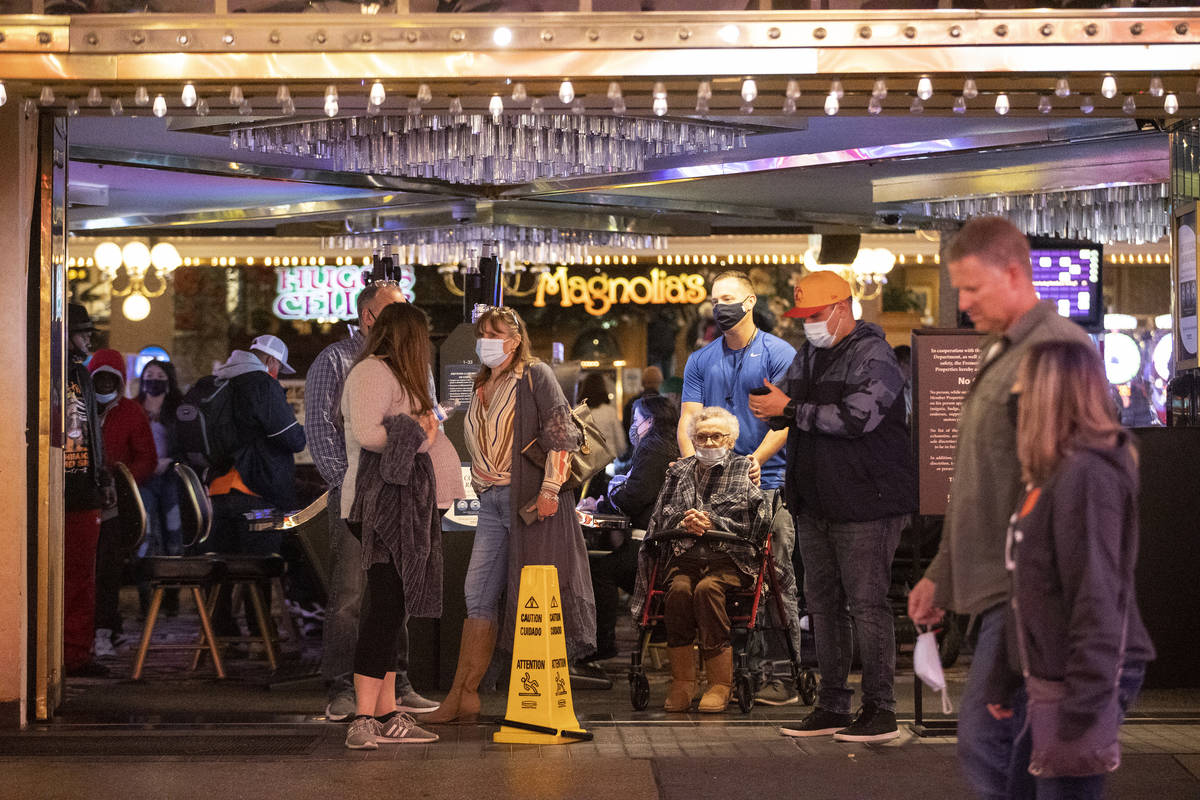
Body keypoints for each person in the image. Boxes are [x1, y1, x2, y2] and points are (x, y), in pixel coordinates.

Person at [907, 217, 1094, 799]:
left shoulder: (1056, 352)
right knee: (1011, 753)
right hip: (1000, 593)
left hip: (1033, 599)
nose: (962, 305)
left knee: (999, 746)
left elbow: (1073, 495)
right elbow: (978, 481)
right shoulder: (1001, 349)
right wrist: (941, 572)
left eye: (972, 289)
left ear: (1013, 273)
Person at [749, 271, 917, 743]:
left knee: (866, 604)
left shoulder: (874, 354)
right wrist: (775, 402)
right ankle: (833, 704)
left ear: (843, 308)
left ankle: (881, 710)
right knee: (823, 605)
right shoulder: (810, 354)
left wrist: (788, 409)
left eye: (815, 315)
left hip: (868, 502)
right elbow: (781, 397)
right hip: (817, 501)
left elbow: (857, 418)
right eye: (802, 317)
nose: (807, 325)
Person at [984, 340, 1154, 799]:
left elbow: (1097, 594)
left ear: (1048, 394)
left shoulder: (1086, 476)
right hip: (1050, 676)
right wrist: (1008, 677)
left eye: (1023, 386)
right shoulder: (1051, 472)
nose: (1014, 396)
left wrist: (1084, 706)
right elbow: (1027, 587)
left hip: (1077, 678)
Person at [426, 306, 596, 723]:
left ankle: (536, 700)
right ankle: (463, 695)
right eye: (482, 331)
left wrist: (551, 490)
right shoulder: (483, 381)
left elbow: (561, 433)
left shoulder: (535, 375)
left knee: (535, 598)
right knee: (476, 593)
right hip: (492, 502)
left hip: (532, 503)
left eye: (494, 332)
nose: (485, 338)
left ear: (516, 338)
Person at [305, 281, 438, 721]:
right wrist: (352, 486)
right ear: (369, 317)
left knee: (392, 595)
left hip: (400, 496)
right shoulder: (340, 361)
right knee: (351, 595)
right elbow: (322, 429)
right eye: (395, 312)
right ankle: (345, 688)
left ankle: (394, 687)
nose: (404, 320)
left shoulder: (408, 364)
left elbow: (428, 416)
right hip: (362, 496)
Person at [678, 269, 802, 706]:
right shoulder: (701, 359)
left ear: (749, 302)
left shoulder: (778, 353)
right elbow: (688, 420)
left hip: (767, 482)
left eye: (727, 298)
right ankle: (717, 674)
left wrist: (755, 460)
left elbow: (786, 420)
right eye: (714, 300)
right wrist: (693, 465)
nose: (719, 307)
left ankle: (780, 674)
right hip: (713, 485)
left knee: (775, 573)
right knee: (710, 575)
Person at [340, 302, 443, 749]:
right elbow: (368, 433)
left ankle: (385, 712)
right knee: (383, 608)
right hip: (381, 506)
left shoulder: (399, 376)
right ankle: (364, 716)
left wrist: (424, 427)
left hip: (407, 507)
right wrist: (419, 431)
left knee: (392, 607)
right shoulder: (371, 373)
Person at [631, 406, 770, 713]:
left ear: (730, 440)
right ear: (692, 440)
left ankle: (720, 683)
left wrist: (713, 523)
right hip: (685, 555)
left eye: (716, 437)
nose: (709, 443)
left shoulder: (743, 469)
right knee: (678, 592)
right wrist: (685, 522)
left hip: (730, 559)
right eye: (702, 437)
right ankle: (682, 681)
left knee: (708, 590)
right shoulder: (677, 472)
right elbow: (659, 518)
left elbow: (757, 525)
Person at [205, 334, 307, 640]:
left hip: (219, 492)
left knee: (223, 567)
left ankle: (220, 636)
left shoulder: (221, 381)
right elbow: (292, 438)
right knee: (258, 568)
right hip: (255, 493)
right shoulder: (261, 384)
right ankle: (262, 634)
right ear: (272, 362)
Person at [584, 394, 680, 661]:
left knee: (598, 570)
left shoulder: (653, 448)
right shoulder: (672, 444)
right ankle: (657, 627)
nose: (633, 425)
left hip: (650, 547)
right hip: (666, 545)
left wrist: (608, 498)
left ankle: (602, 646)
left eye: (636, 419)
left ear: (649, 421)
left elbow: (635, 495)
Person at [88, 349, 157, 659]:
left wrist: (125, 480)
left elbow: (148, 456)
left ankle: (105, 628)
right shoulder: (80, 408)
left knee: (107, 569)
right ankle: (95, 629)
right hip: (82, 500)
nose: (104, 385)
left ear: (120, 381)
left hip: (116, 504)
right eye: (98, 379)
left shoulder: (131, 412)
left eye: (110, 379)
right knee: (84, 569)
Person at [63, 303, 109, 677]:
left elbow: (93, 434)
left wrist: (101, 476)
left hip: (80, 489)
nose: (88, 339)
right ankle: (68, 652)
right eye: (83, 333)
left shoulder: (82, 374)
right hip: (65, 488)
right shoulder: (64, 374)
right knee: (73, 578)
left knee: (80, 578)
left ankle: (75, 652)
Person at [136, 359, 185, 617]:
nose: (153, 378)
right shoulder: (134, 408)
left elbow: (187, 443)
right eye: (149, 374)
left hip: (170, 478)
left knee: (173, 535)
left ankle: (172, 597)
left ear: (168, 379)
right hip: (143, 480)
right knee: (146, 536)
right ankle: (146, 598)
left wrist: (172, 461)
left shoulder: (177, 409)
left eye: (158, 374)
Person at [576, 372, 627, 498]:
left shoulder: (576, 410)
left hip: (582, 467)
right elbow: (621, 445)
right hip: (607, 465)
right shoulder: (609, 412)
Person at [622, 365, 663, 450]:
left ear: (642, 383)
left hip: (636, 452)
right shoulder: (665, 404)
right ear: (660, 383)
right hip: (660, 451)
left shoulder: (632, 403)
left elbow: (626, 429)